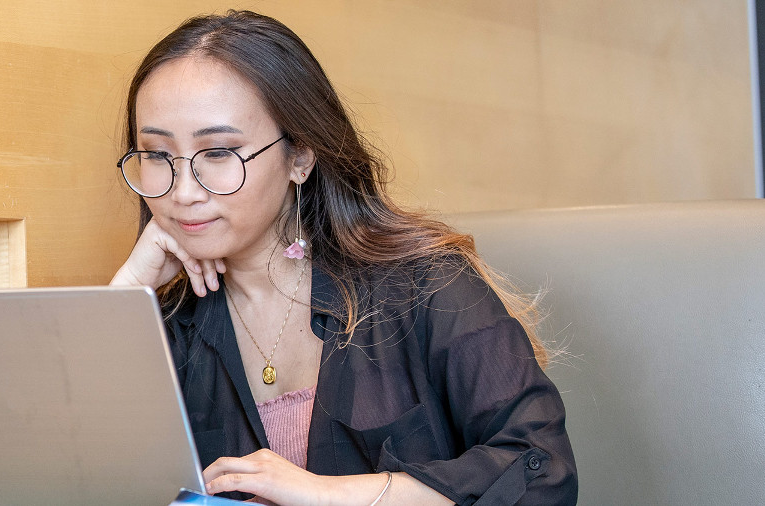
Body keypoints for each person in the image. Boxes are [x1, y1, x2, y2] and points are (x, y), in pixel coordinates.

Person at [111, 10, 577, 505]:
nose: (182, 192)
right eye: (158, 156)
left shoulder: (427, 286)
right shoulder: (165, 324)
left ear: (300, 155)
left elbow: (540, 466)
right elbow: (79, 476)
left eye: (220, 152)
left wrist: (325, 496)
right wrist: (125, 295)